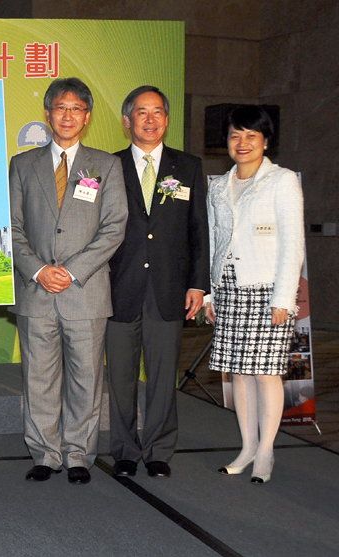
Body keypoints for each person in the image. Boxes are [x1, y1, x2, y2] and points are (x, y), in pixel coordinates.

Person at [9, 77, 127, 485]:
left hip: (85, 290)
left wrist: (72, 270)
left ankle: (78, 454)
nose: (67, 115)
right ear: (48, 113)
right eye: (60, 108)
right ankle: (44, 453)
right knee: (38, 377)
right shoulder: (22, 165)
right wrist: (40, 270)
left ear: (87, 117)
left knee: (86, 378)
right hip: (36, 289)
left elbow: (114, 228)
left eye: (76, 109)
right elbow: (12, 227)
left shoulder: (106, 165)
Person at [106, 86, 209, 479]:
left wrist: (199, 284)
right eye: (141, 113)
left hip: (170, 289)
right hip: (118, 288)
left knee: (164, 376)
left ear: (167, 119)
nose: (150, 120)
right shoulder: (106, 166)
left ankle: (159, 449)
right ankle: (124, 450)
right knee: (120, 376)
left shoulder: (188, 166)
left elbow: (199, 229)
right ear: (126, 120)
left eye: (157, 113)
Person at [204, 105, 304, 484]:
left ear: (265, 141)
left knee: (265, 373)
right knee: (239, 373)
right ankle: (246, 447)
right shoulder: (218, 184)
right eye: (235, 135)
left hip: (266, 289)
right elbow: (215, 240)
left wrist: (283, 298)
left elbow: (292, 243)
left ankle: (266, 452)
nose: (242, 143)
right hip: (228, 287)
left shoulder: (282, 181)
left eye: (251, 136)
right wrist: (211, 294)